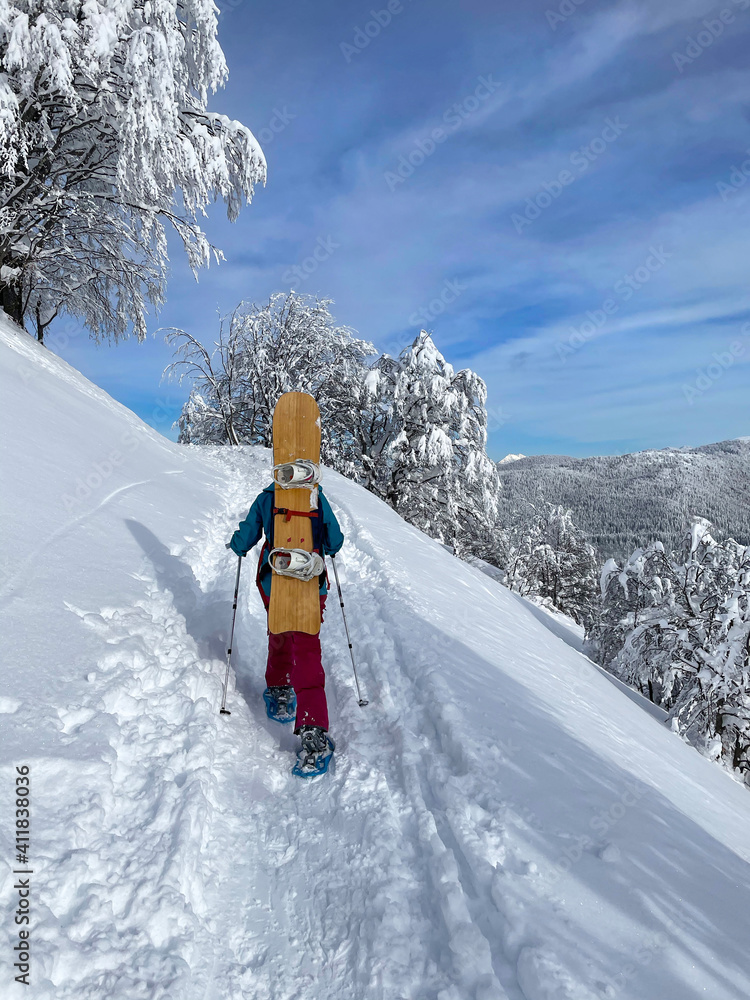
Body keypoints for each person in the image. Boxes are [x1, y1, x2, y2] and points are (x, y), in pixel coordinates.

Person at [228, 482, 344, 773]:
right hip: (310, 583)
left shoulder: (267, 497)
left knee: (279, 630)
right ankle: (312, 727)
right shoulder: (315, 496)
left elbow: (246, 537)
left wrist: (237, 544)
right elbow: (334, 542)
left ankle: (279, 687)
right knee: (306, 649)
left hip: (273, 579)